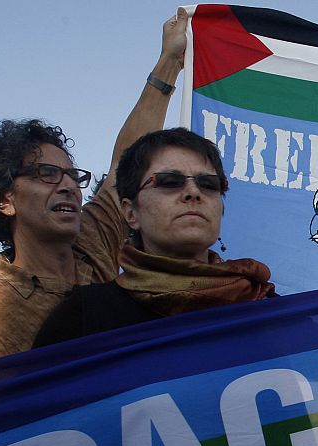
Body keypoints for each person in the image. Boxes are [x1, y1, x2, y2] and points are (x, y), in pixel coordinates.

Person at [0, 10, 188, 370]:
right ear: (3, 200)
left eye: (73, 176)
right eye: (46, 173)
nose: (68, 187)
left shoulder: (92, 243)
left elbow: (126, 160)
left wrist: (170, 62)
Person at [32, 127, 278, 344]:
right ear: (130, 213)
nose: (193, 192)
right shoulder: (83, 318)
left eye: (209, 184)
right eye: (170, 181)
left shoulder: (269, 309)